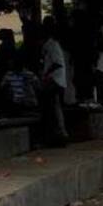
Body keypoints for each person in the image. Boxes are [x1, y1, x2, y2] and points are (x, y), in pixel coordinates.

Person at [40, 18, 69, 146]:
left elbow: (57, 63)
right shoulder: (51, 44)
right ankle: (59, 133)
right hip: (56, 80)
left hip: (54, 80)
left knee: (52, 107)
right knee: (55, 107)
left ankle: (59, 133)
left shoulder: (52, 44)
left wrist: (46, 74)